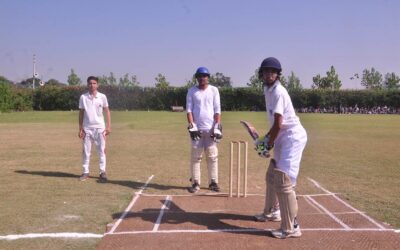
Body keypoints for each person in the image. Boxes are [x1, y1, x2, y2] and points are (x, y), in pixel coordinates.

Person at [253, 57, 307, 239]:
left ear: (277, 74)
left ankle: (292, 227)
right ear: (262, 74)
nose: (269, 74)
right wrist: (267, 139)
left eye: (272, 72)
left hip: (292, 137)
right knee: (272, 176)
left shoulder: (279, 92)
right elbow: (275, 125)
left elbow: (279, 122)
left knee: (284, 182)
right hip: (283, 135)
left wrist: (268, 143)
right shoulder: (267, 89)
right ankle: (271, 212)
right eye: (266, 71)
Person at [186, 67, 222, 193]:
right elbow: (189, 110)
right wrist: (192, 126)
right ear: (197, 77)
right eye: (200, 76)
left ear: (208, 77)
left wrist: (217, 126)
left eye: (204, 76)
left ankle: (213, 182)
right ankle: (195, 182)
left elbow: (217, 109)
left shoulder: (214, 90)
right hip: (197, 128)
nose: (202, 78)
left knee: (212, 156)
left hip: (211, 128)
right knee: (196, 157)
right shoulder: (192, 91)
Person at [78, 76, 111, 182]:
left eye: (94, 83)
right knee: (86, 152)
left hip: (100, 128)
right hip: (87, 128)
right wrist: (80, 128)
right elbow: (81, 113)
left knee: (101, 151)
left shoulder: (102, 97)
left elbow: (107, 111)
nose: (92, 85)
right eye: (90, 83)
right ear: (87, 85)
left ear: (97, 84)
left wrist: (108, 126)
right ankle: (85, 172)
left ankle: (102, 172)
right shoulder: (83, 97)